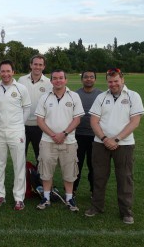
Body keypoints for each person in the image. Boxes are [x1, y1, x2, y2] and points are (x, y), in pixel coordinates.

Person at [85, 68, 144, 224]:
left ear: (122, 80)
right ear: (107, 82)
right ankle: (97, 206)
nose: (113, 84)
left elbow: (135, 122)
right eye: (110, 81)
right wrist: (105, 138)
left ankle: (126, 211)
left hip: (124, 144)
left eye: (116, 81)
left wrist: (116, 139)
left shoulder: (133, 96)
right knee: (99, 176)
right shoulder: (101, 97)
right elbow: (93, 121)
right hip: (100, 143)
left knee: (125, 178)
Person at [35, 69, 84, 212]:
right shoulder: (44, 97)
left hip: (68, 141)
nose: (58, 81)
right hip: (47, 141)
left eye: (61, 78)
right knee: (46, 171)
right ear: (51, 81)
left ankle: (69, 198)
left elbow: (77, 119)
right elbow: (40, 120)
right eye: (55, 78)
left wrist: (64, 133)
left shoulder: (74, 96)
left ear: (66, 80)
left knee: (69, 172)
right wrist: (53, 135)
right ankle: (46, 197)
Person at [0, 60, 31, 210]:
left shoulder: (21, 88)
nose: (5, 74)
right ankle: (0, 195)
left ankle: (19, 198)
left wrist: (20, 125)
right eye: (2, 71)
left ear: (13, 72)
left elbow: (27, 108)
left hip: (17, 132)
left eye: (8, 71)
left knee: (18, 164)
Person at [18, 54, 52, 165]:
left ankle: (40, 181)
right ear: (31, 65)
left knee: (41, 156)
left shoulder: (49, 83)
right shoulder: (21, 80)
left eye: (40, 65)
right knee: (20, 155)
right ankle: (22, 181)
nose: (37, 67)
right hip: (22, 125)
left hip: (40, 126)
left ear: (44, 67)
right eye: (35, 64)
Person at [73, 71, 102, 195]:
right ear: (82, 79)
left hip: (95, 136)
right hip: (78, 135)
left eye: (91, 77)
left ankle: (94, 191)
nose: (88, 79)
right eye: (86, 77)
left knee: (94, 166)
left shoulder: (101, 95)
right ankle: (72, 190)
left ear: (95, 79)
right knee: (76, 165)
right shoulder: (75, 94)